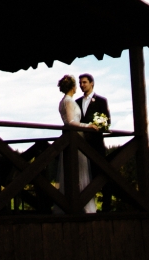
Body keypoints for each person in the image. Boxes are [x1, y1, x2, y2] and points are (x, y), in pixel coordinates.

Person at [55, 74, 97, 214]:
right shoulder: (68, 102)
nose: (78, 86)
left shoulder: (66, 101)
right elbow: (71, 122)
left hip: (74, 137)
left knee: (79, 169)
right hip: (74, 138)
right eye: (76, 84)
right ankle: (80, 204)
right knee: (77, 170)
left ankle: (79, 202)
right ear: (72, 87)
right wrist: (88, 126)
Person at [76, 73, 112, 210]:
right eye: (80, 83)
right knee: (83, 176)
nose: (82, 85)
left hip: (96, 145)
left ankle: (106, 205)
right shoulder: (77, 102)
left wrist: (99, 124)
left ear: (92, 83)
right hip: (80, 145)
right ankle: (84, 205)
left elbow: (107, 121)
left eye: (84, 82)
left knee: (102, 174)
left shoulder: (101, 101)